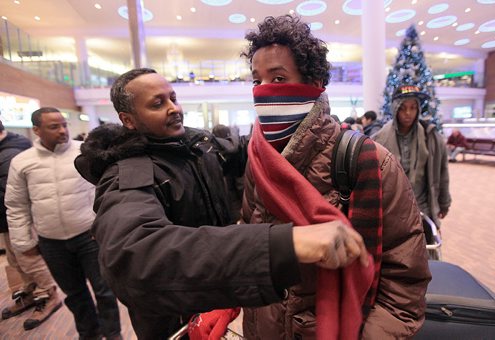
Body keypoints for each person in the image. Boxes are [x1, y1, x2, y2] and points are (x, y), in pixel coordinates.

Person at [73, 67, 370, 339]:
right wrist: (283, 245)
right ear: (128, 120)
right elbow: (133, 256)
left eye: (173, 98)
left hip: (223, 306)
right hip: (174, 322)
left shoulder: (198, 147)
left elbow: (248, 149)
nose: (173, 108)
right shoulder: (129, 173)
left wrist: (306, 128)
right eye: (157, 103)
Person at [234, 15, 431, 339]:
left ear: (312, 84)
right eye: (257, 81)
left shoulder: (369, 162)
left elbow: (404, 282)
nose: (264, 91)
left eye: (279, 79)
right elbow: (249, 240)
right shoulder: (257, 158)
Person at [5, 108, 122, 339]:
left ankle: (113, 334)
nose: (62, 131)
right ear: (37, 130)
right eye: (54, 126)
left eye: (64, 124)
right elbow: (16, 205)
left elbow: (108, 191)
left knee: (105, 291)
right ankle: (89, 334)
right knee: (75, 294)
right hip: (52, 243)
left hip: (90, 236)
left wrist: (107, 228)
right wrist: (23, 242)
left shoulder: (85, 153)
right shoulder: (22, 162)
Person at [0, 120, 62, 329]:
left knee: (29, 260)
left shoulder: (9, 154)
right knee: (16, 261)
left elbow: (13, 196)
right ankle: (31, 290)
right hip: (7, 219)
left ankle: (47, 294)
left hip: (19, 220)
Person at [372, 85, 451, 227]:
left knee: (425, 247)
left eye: (413, 107)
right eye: (402, 108)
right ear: (395, 108)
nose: (408, 113)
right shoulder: (379, 139)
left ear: (418, 109)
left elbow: (442, 171)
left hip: (423, 209)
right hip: (391, 211)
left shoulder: (431, 137)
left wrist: (444, 202)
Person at [212, 124, 248, 223]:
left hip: (222, 207)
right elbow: (240, 185)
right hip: (236, 207)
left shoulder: (213, 153)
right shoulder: (234, 153)